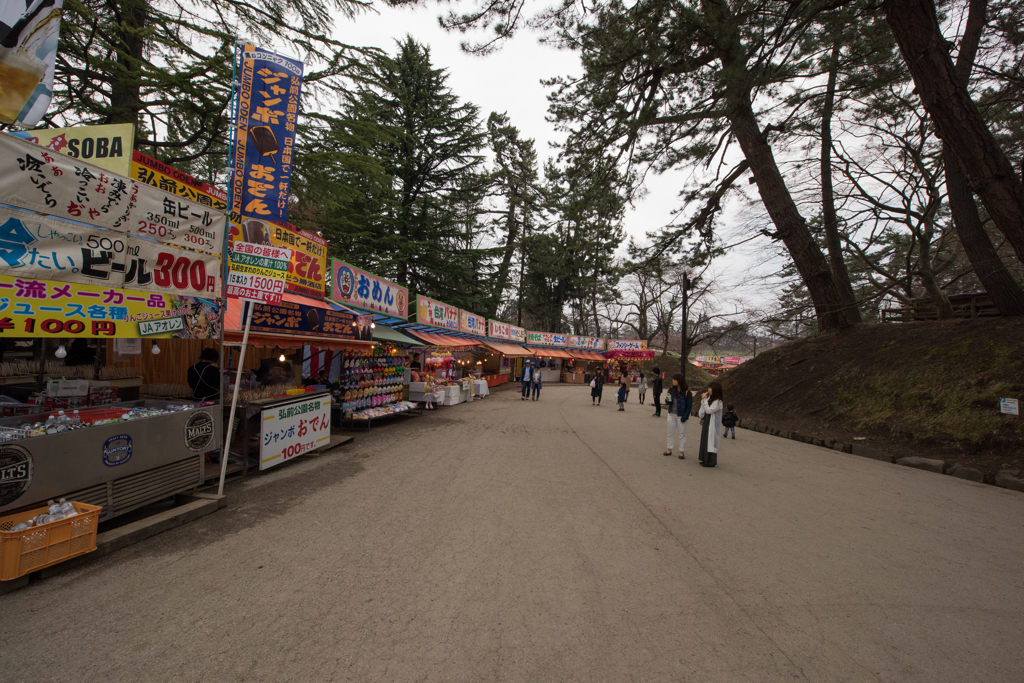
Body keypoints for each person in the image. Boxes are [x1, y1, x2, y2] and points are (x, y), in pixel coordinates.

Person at [663, 373, 693, 459]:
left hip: (681, 415)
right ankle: (669, 449)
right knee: (670, 432)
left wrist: (685, 417)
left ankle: (681, 452)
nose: (673, 381)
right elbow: (668, 402)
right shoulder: (671, 390)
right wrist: (667, 399)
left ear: (679, 381)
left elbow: (689, 407)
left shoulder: (687, 393)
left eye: (675, 380)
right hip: (671, 414)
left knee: (682, 434)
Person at [698, 381, 725, 467]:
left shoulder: (718, 402)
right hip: (707, 422)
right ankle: (704, 458)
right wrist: (704, 400)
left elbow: (709, 410)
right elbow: (704, 409)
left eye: (710, 388)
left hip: (712, 423)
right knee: (705, 439)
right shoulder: (710, 398)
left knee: (711, 441)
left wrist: (705, 400)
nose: (708, 390)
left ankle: (710, 461)